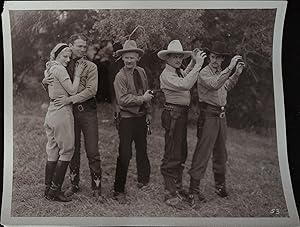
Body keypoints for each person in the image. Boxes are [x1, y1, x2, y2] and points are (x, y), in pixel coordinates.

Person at [187, 41, 245, 206]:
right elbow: (215, 84)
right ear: (209, 57)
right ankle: (193, 191)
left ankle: (220, 188)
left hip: (221, 116)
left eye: (219, 58)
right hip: (208, 116)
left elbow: (225, 86)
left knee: (221, 153)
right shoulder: (204, 73)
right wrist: (230, 68)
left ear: (222, 59)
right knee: (203, 153)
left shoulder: (221, 72)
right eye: (213, 57)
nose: (215, 60)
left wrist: (236, 74)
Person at [45, 34, 102, 199]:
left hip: (87, 112)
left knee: (92, 151)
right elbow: (54, 84)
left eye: (85, 46)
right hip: (69, 113)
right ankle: (74, 183)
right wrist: (45, 81)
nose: (82, 49)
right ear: (70, 45)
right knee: (72, 150)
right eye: (79, 46)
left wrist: (70, 99)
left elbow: (92, 90)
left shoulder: (91, 67)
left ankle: (96, 187)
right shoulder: (65, 65)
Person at [157, 40, 206, 209]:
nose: (178, 59)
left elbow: (185, 75)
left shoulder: (177, 72)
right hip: (173, 115)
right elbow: (186, 84)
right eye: (175, 57)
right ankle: (169, 194)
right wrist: (198, 65)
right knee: (172, 153)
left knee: (181, 152)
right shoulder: (166, 75)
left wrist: (192, 62)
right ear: (167, 58)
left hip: (180, 115)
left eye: (180, 57)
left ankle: (177, 188)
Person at [43, 43, 85, 202]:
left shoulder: (49, 67)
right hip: (62, 112)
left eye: (69, 56)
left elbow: (46, 84)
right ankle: (55, 191)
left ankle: (48, 190)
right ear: (56, 55)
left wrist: (43, 80)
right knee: (67, 149)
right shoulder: (60, 69)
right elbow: (73, 91)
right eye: (64, 56)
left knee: (53, 149)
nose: (68, 59)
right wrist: (79, 74)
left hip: (51, 111)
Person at [113, 40, 153, 204]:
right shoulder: (120, 76)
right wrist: (141, 99)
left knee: (142, 150)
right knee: (125, 154)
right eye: (126, 57)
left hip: (141, 118)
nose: (129, 60)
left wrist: (148, 111)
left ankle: (143, 181)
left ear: (137, 57)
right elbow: (122, 100)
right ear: (122, 58)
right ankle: (118, 189)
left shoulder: (141, 72)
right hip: (127, 119)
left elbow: (147, 92)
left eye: (132, 57)